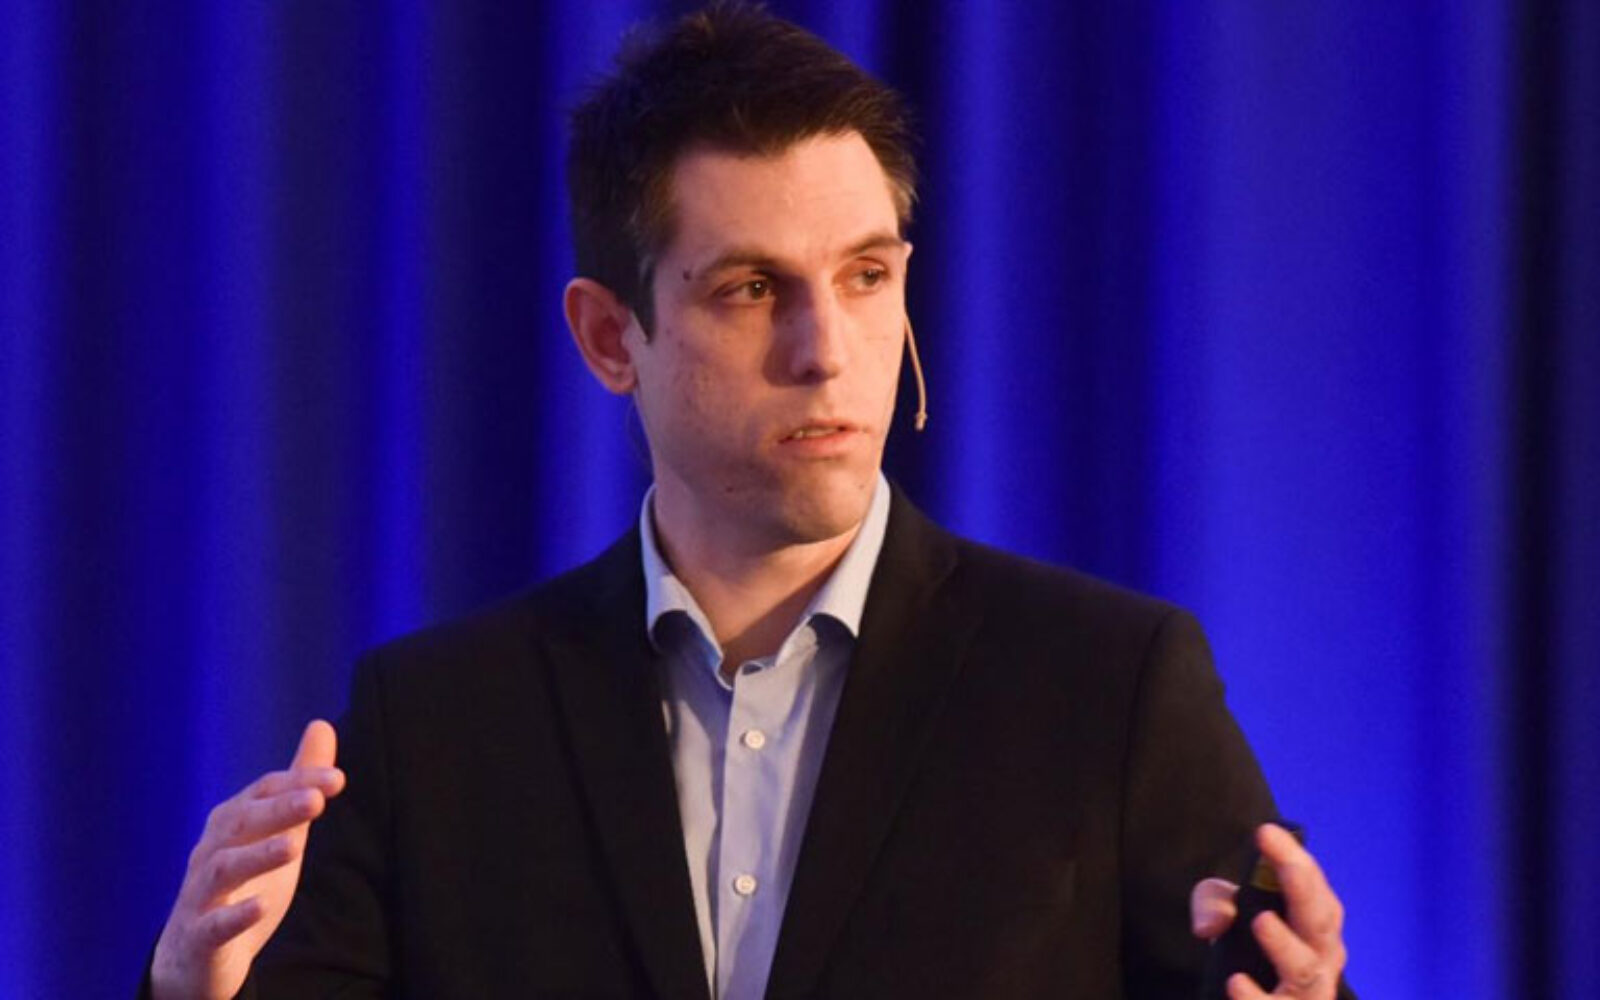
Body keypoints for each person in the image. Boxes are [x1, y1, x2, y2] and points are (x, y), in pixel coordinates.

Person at [147, 3, 1350, 997]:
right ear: (609, 337)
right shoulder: (434, 728)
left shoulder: (1109, 686)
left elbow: (1275, 978)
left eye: (865, 276)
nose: (826, 351)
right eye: (751, 289)